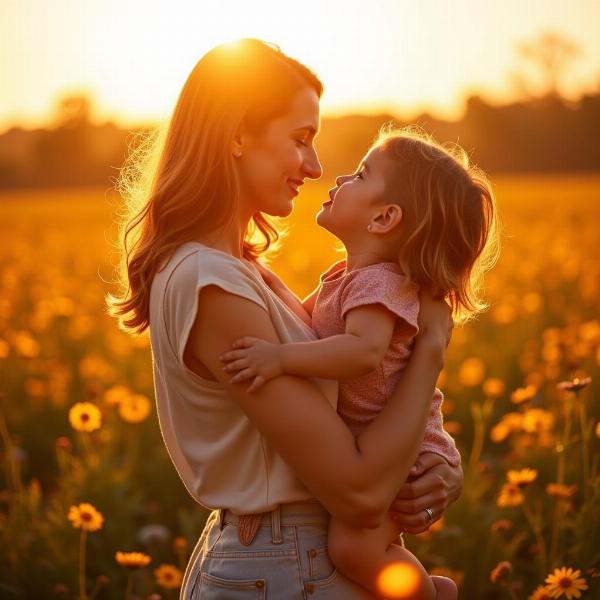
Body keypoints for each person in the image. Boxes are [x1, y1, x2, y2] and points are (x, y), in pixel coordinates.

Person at [108, 38, 464, 599]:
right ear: (236, 133)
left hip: (291, 561)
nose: (317, 166)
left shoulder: (242, 271)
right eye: (300, 139)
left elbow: (361, 421)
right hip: (282, 566)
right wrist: (431, 350)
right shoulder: (212, 281)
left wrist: (434, 468)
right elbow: (358, 493)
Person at [220, 127, 499, 599]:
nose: (339, 177)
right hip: (386, 441)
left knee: (353, 548)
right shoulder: (346, 277)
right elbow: (300, 320)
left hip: (409, 457)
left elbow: (362, 351)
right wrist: (255, 272)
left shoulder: (379, 285)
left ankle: (431, 595)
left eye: (361, 175)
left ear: (385, 217)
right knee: (361, 546)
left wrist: (280, 358)